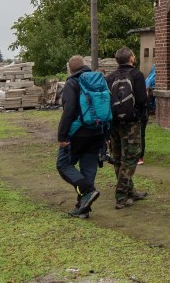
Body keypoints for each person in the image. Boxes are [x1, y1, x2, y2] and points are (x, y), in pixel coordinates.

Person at [56, 55, 105, 219]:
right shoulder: (98, 80)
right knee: (89, 168)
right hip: (98, 130)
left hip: (78, 133)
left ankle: (87, 191)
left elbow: (69, 111)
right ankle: (82, 207)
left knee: (63, 165)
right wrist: (107, 134)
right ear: (86, 65)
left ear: (70, 69)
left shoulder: (72, 83)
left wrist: (62, 135)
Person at [106, 47, 148, 209]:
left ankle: (130, 191)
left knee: (117, 157)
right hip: (131, 123)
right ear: (131, 58)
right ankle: (121, 195)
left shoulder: (110, 77)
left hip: (113, 122)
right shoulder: (136, 75)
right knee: (130, 158)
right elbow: (142, 100)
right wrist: (141, 117)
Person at [138, 64, 156, 165]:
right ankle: (140, 157)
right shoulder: (143, 86)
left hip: (135, 113)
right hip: (143, 113)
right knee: (141, 134)